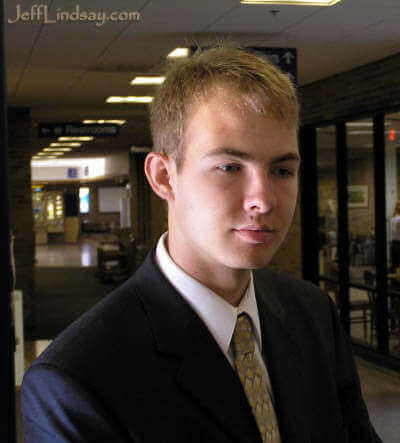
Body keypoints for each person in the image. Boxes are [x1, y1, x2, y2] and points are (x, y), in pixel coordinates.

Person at [22, 45, 382, 443]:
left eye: (281, 169)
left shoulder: (313, 315)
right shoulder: (77, 379)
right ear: (163, 176)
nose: (263, 199)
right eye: (228, 167)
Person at [391, 201, 400, 272]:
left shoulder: (393, 218)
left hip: (393, 244)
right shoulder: (399, 219)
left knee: (395, 265)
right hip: (399, 244)